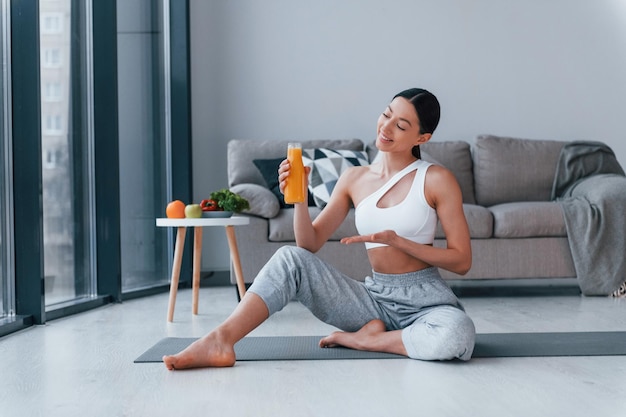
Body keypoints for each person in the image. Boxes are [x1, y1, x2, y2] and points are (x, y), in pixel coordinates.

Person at [163, 88, 476, 370]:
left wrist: (400, 242)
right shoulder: (354, 178)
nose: (386, 127)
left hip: (426, 303)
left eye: (402, 125)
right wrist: (298, 197)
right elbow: (308, 244)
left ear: (422, 138)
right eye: (386, 114)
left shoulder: (436, 179)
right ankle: (220, 340)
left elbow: (462, 261)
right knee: (290, 258)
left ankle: (366, 340)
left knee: (457, 335)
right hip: (372, 301)